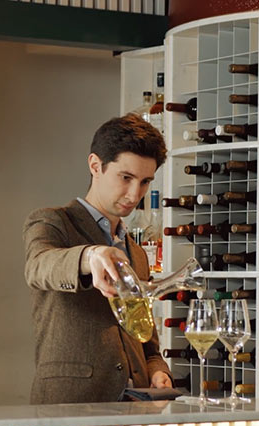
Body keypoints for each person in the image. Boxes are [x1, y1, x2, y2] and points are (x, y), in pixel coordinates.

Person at [23, 113, 172, 404]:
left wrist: (156, 370)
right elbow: (38, 266)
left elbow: (146, 342)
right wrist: (90, 255)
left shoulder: (137, 253)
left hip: (134, 409)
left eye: (144, 182)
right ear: (95, 166)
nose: (134, 194)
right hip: (68, 405)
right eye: (126, 178)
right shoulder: (53, 222)